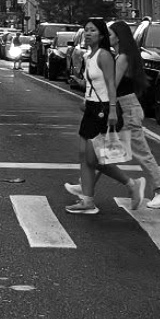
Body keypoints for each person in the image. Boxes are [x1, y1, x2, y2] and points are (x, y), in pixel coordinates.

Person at [66, 19, 160, 212]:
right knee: (102, 150)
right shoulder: (119, 56)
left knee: (141, 153)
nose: (108, 37)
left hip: (126, 107)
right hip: (122, 106)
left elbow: (112, 84)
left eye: (110, 34)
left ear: (119, 37)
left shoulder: (123, 57)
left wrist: (95, 99)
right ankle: (85, 185)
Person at [64, 17, 118, 214]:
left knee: (91, 158)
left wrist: (113, 109)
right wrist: (85, 98)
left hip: (102, 109)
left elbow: (111, 84)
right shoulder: (88, 55)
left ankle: (130, 183)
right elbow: (92, 83)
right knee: (83, 154)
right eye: (86, 29)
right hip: (91, 108)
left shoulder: (104, 55)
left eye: (93, 30)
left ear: (101, 35)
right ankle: (87, 200)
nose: (88, 33)